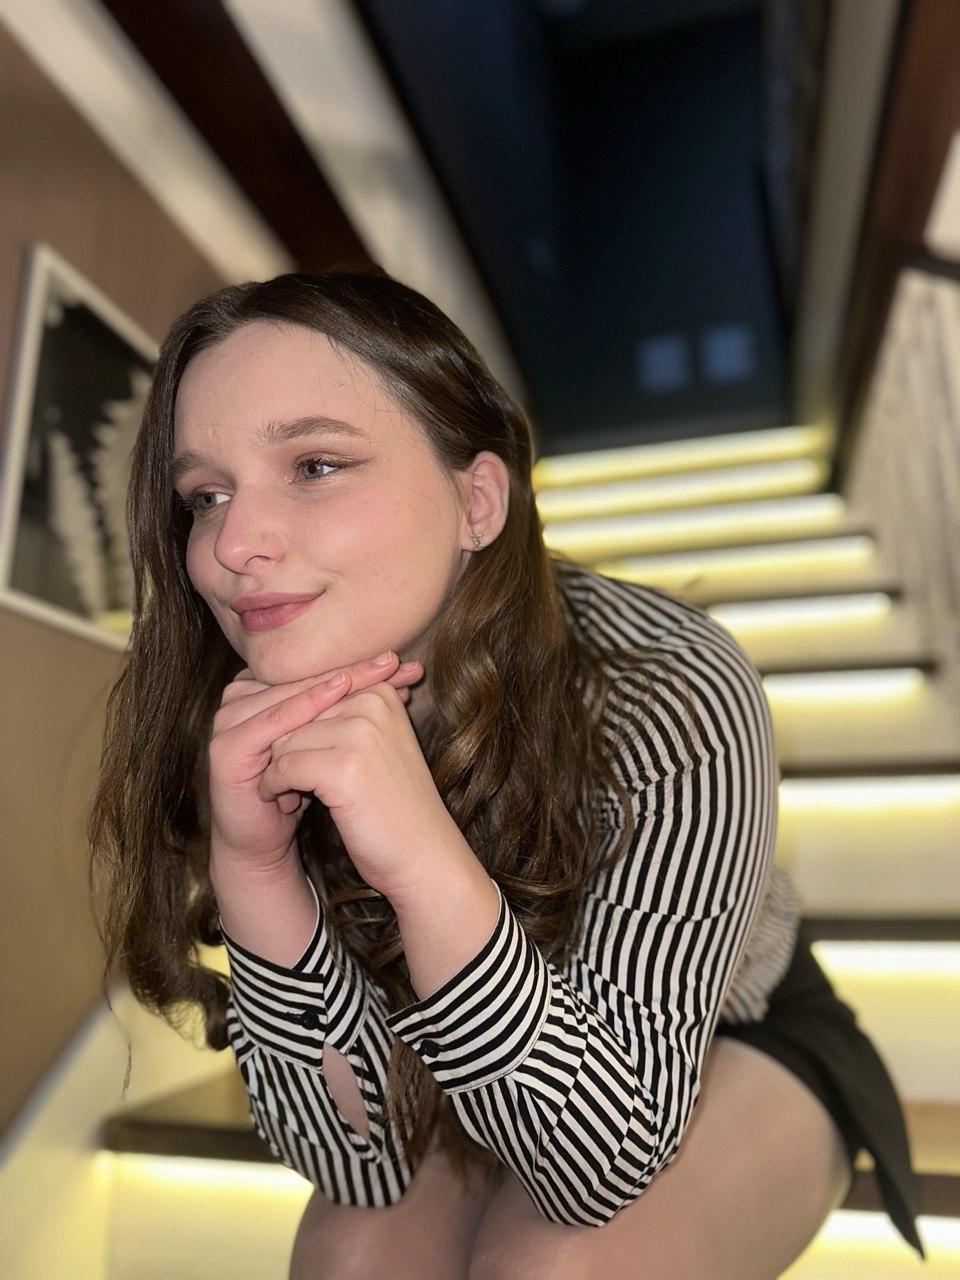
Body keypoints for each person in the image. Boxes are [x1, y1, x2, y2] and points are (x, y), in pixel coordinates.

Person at [88, 267, 926, 1279]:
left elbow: (593, 1167)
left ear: (477, 499)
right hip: (445, 1062)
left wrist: (421, 855)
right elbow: (351, 1165)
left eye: (314, 464)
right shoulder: (244, 708)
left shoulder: (666, 685)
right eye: (205, 495)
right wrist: (255, 867)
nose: (232, 544)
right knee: (350, 1256)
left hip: (722, 1038)